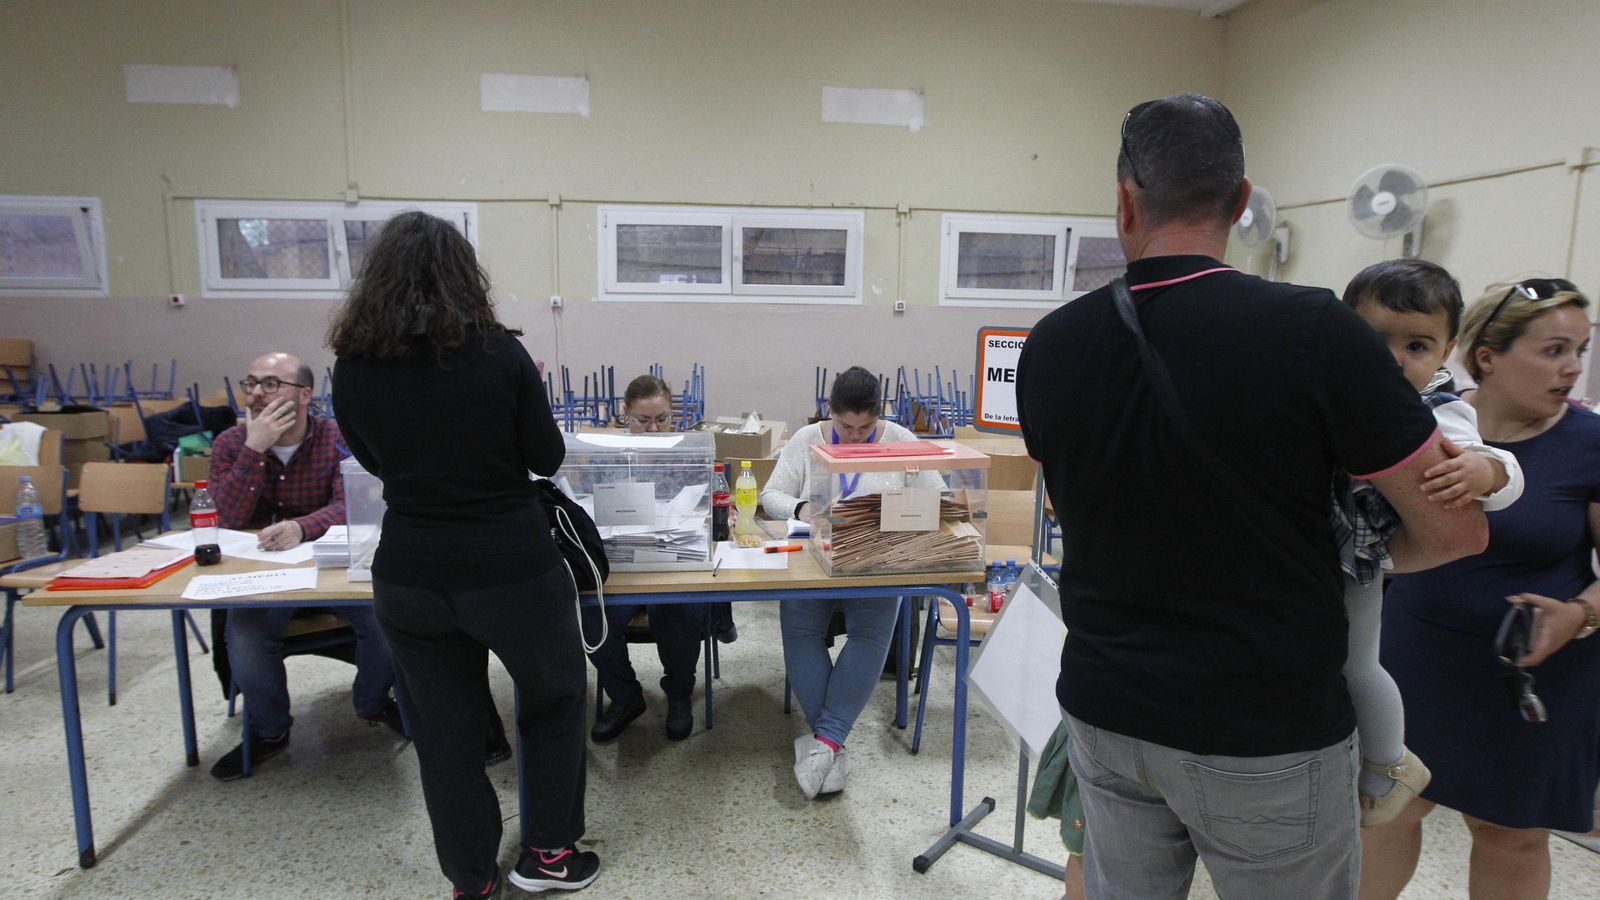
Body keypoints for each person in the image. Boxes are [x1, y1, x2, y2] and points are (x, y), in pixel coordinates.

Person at [1015, 94, 1487, 898]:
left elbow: (1079, 509)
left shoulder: (1051, 347)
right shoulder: (1315, 332)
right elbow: (1454, 532)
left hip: (1107, 710)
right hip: (1264, 729)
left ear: (1125, 202)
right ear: (1240, 204)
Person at [329, 211, 598, 897]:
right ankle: (549, 855)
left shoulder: (353, 368)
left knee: (445, 737)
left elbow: (371, 458)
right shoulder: (498, 355)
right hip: (509, 566)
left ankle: (472, 880)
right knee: (554, 699)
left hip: (411, 575)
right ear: (464, 274)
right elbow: (546, 456)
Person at [1361, 279, 1600, 900]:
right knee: (1386, 810)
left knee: (1509, 833)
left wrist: (1580, 614)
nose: (1572, 367)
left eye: (1580, 348)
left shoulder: (1589, 445)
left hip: (1532, 673)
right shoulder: (1426, 419)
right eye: (1552, 350)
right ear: (1487, 356)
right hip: (1414, 657)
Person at [1334, 259, 1524, 826]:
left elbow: (1505, 470)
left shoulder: (1441, 410)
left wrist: (1483, 472)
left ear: (1447, 351)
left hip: (1365, 555)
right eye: (1376, 341)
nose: (1394, 359)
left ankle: (1388, 768)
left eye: (1417, 345)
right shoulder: (1332, 392)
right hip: (1327, 545)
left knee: (1360, 663)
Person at [206, 350, 399, 781]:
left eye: (271, 384)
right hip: (260, 574)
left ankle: (372, 703)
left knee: (387, 623)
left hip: (329, 567)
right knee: (246, 637)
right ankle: (270, 731)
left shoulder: (336, 438)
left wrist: (301, 527)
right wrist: (254, 450)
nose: (256, 394)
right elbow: (224, 517)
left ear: (305, 393)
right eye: (250, 383)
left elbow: (351, 503)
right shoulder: (229, 445)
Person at [760, 365, 938, 799]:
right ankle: (832, 744)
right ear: (830, 413)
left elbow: (939, 496)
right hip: (814, 558)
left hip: (877, 562)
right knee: (800, 631)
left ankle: (824, 743)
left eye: (865, 427)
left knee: (871, 636)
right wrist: (804, 509)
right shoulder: (808, 440)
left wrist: (901, 514)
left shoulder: (900, 441)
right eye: (845, 427)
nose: (856, 438)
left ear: (879, 416)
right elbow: (770, 495)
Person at [583, 374, 710, 742]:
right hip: (619, 562)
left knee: (678, 608)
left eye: (663, 419)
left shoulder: (687, 454)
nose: (654, 429)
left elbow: (705, 506)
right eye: (644, 421)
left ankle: (679, 694)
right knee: (591, 613)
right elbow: (588, 506)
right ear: (625, 415)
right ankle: (625, 697)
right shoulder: (605, 455)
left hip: (672, 557)